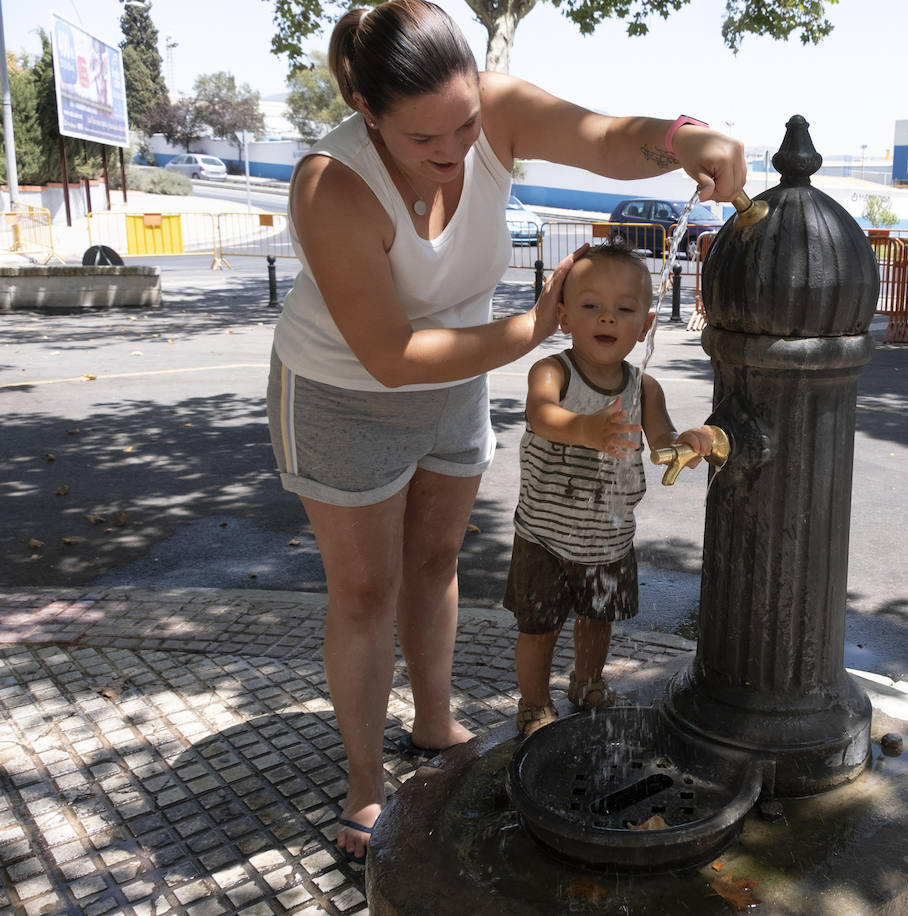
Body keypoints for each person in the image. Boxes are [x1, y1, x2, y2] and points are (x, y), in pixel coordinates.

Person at [264, 0, 745, 866]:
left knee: (437, 560)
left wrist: (683, 140)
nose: (455, 154)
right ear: (368, 113)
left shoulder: (487, 109)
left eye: (468, 126)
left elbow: (603, 137)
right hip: (345, 391)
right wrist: (534, 328)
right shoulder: (330, 184)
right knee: (366, 588)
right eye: (425, 142)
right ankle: (367, 782)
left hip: (452, 379)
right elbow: (390, 353)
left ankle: (436, 719)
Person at [504, 240, 716, 738]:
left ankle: (587, 682)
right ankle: (534, 704)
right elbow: (541, 414)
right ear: (563, 317)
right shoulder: (552, 371)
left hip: (607, 538)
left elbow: (661, 443)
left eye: (624, 309)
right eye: (591, 306)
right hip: (544, 535)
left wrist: (688, 441)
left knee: (598, 620)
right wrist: (586, 429)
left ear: (644, 326)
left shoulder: (645, 389)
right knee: (539, 628)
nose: (607, 319)